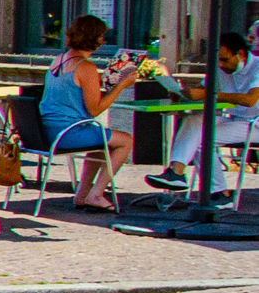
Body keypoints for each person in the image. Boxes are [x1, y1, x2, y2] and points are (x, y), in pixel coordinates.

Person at [42, 15, 142, 213]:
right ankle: (96, 193)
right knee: (126, 140)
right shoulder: (86, 67)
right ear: (96, 38)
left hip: (46, 130)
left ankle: (82, 193)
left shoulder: (58, 59)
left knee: (102, 141)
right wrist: (122, 84)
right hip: (66, 133)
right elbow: (95, 109)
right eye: (102, 36)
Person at [149, 31, 259, 193]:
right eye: (217, 60)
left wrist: (211, 94)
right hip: (237, 120)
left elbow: (251, 100)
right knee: (193, 119)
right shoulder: (221, 69)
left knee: (202, 139)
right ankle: (176, 172)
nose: (220, 65)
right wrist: (181, 95)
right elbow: (201, 91)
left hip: (256, 124)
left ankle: (218, 191)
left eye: (224, 59)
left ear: (241, 54)